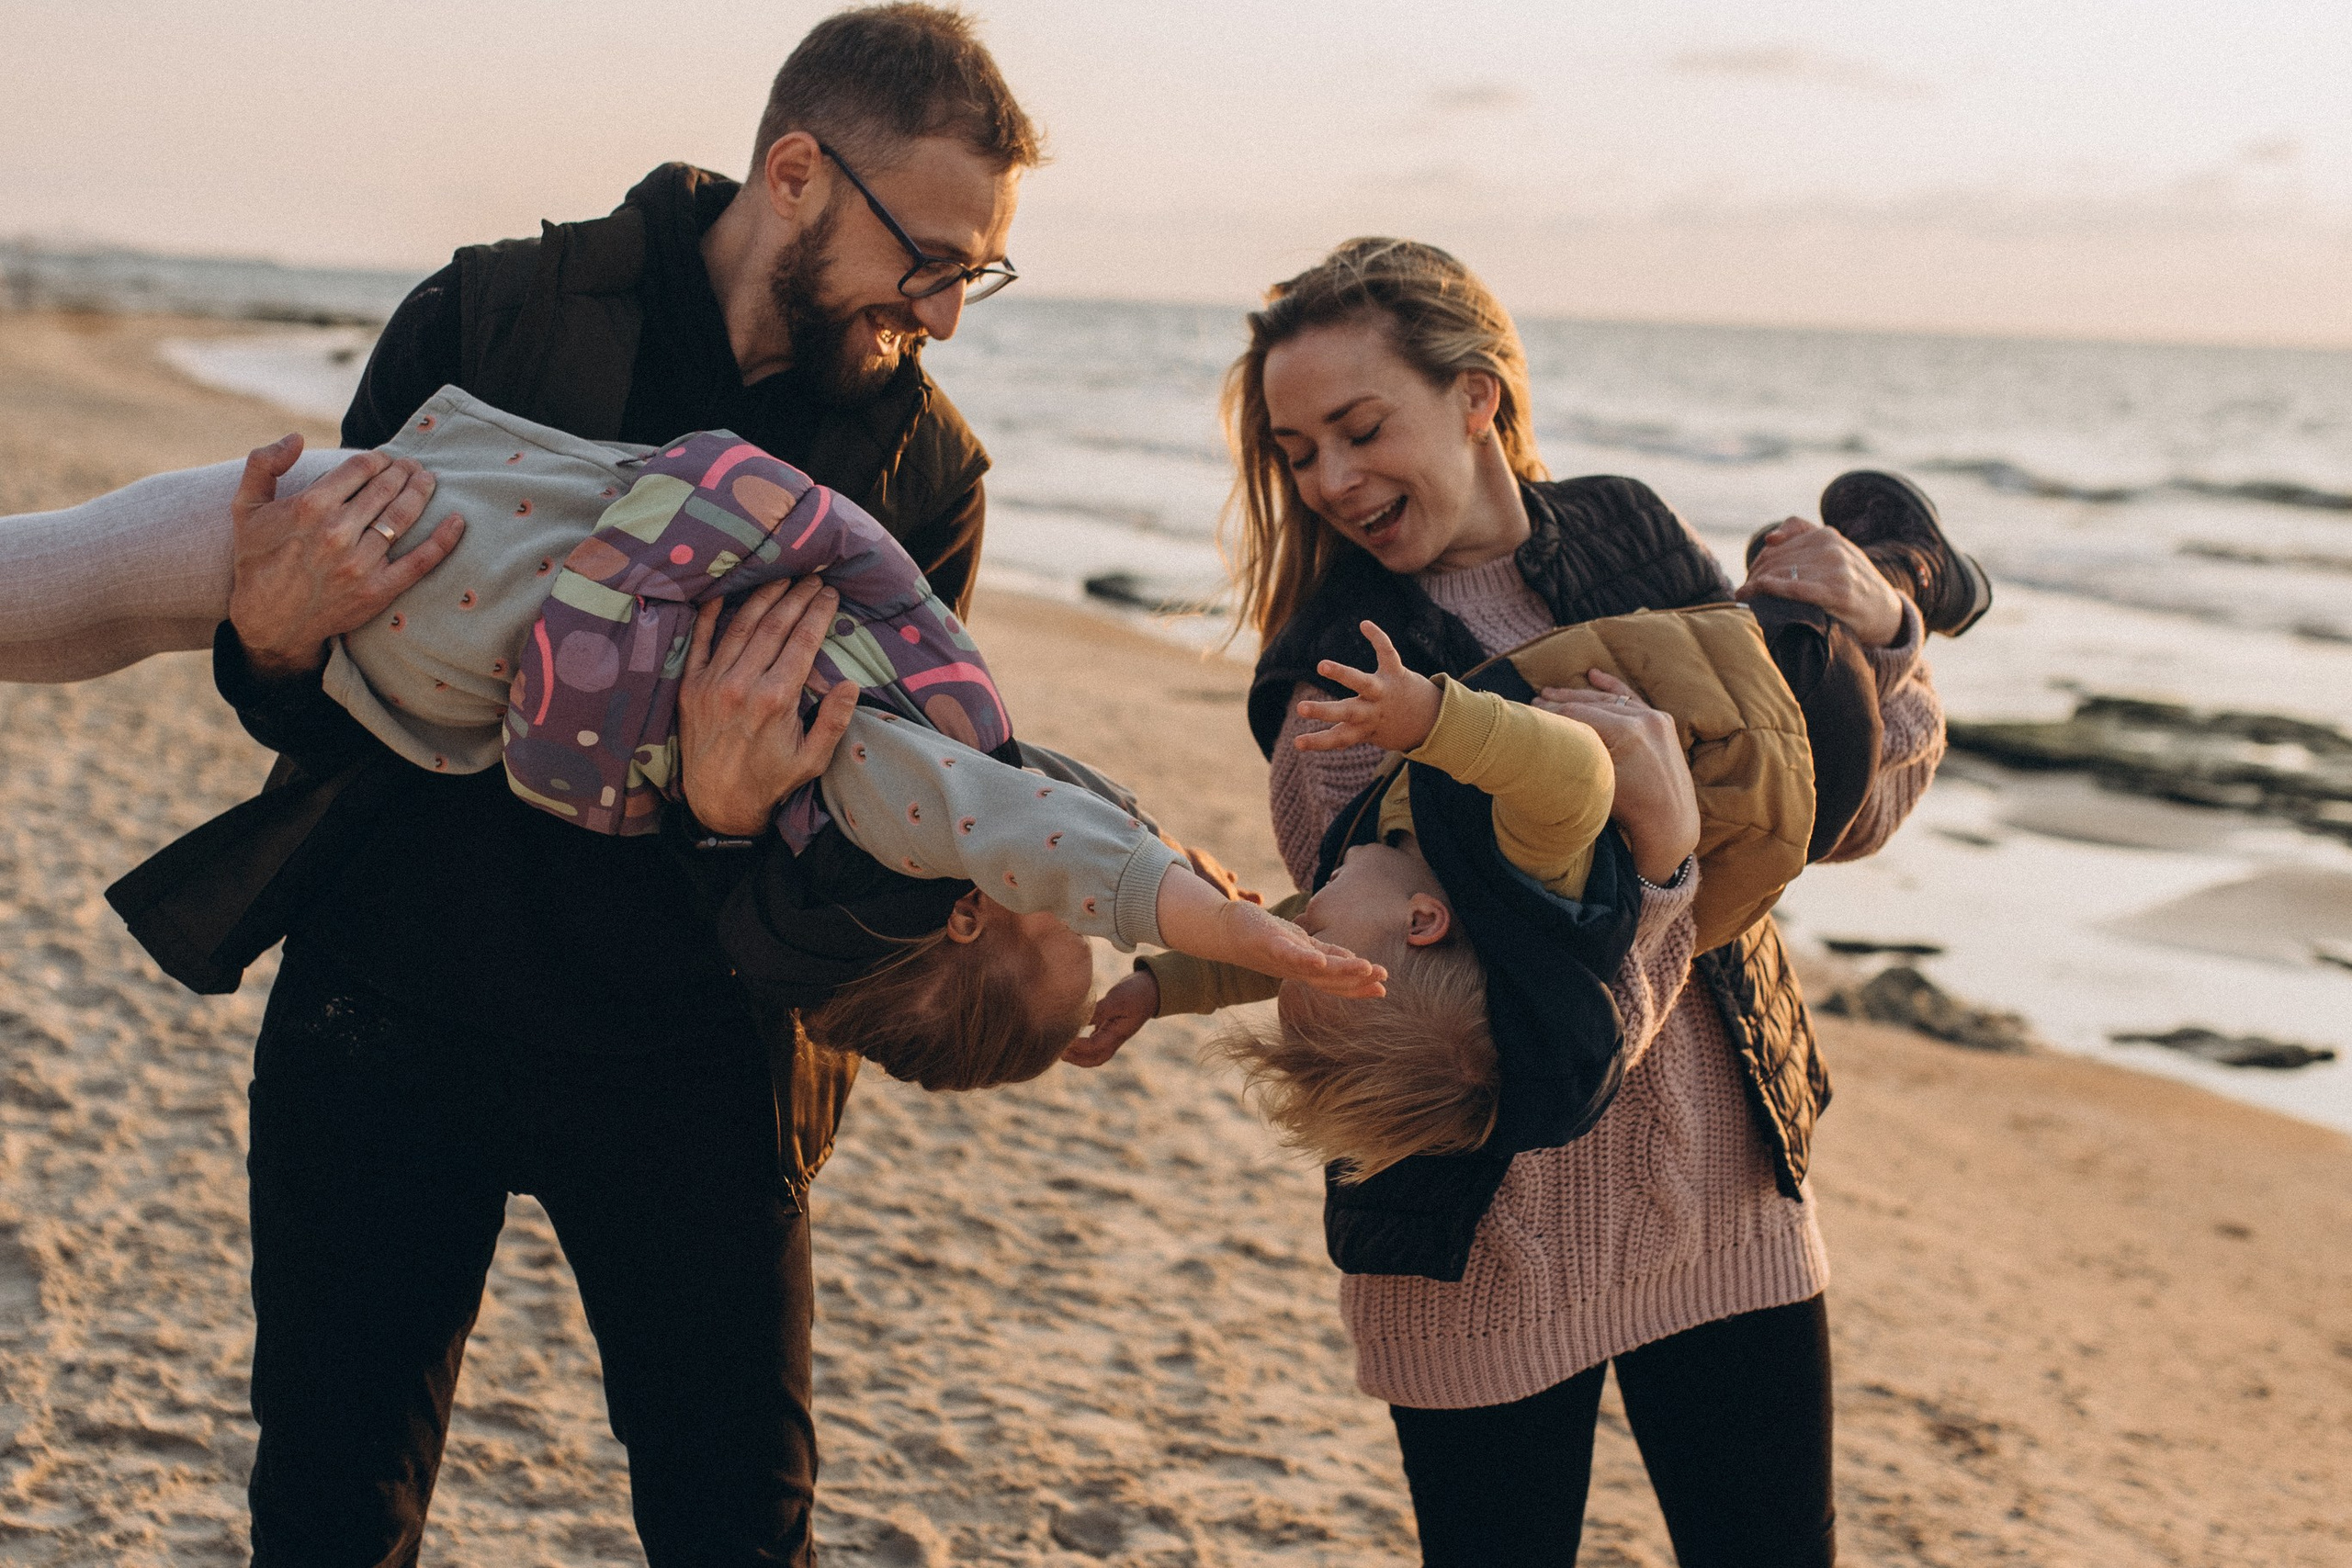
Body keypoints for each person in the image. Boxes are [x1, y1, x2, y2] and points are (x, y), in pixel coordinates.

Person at [55, 8, 1046, 1562]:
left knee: (741, 1528)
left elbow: (871, 862)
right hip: (384, 1013)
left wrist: (733, 813)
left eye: (971, 273)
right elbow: (316, 708)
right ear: (796, 172)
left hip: (699, 1064)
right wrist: (271, 642)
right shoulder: (491, 313)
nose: (943, 312)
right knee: (327, 1511)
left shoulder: (923, 472)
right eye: (928, 259)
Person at [1204, 237, 1962, 1567]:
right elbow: (1501, 1029)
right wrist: (1663, 864)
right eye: (1297, 450)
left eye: (1359, 428)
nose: (1329, 480)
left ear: (1478, 398)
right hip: (1482, 1247)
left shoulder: (1626, 532)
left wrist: (1891, 636)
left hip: (1722, 1200)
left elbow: (1820, 816)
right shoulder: (1337, 679)